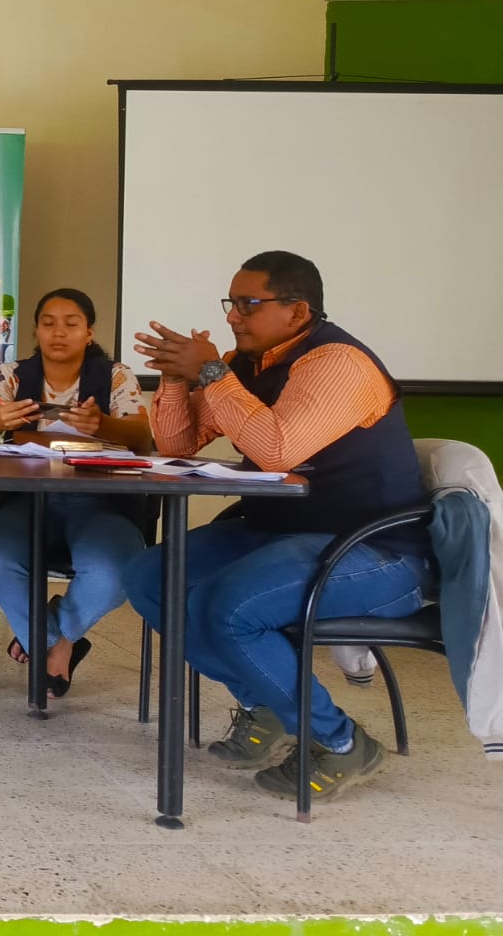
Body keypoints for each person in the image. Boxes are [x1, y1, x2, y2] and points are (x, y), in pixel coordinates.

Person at [128, 250, 431, 802]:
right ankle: (264, 704)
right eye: (231, 303)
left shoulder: (339, 364)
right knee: (152, 577)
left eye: (248, 304)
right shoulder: (248, 365)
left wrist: (212, 373)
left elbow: (276, 449)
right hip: (280, 532)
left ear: (298, 311)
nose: (232, 316)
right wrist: (174, 379)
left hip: (373, 550)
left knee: (229, 606)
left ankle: (340, 741)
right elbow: (177, 444)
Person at [0, 288, 153, 696]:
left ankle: (55, 636)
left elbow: (143, 438)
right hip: (26, 499)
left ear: (89, 332)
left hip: (101, 502)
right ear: (36, 330)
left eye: (71, 324)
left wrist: (103, 424)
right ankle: (54, 645)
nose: (58, 332)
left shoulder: (115, 375)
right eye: (48, 323)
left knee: (114, 571)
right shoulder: (12, 374)